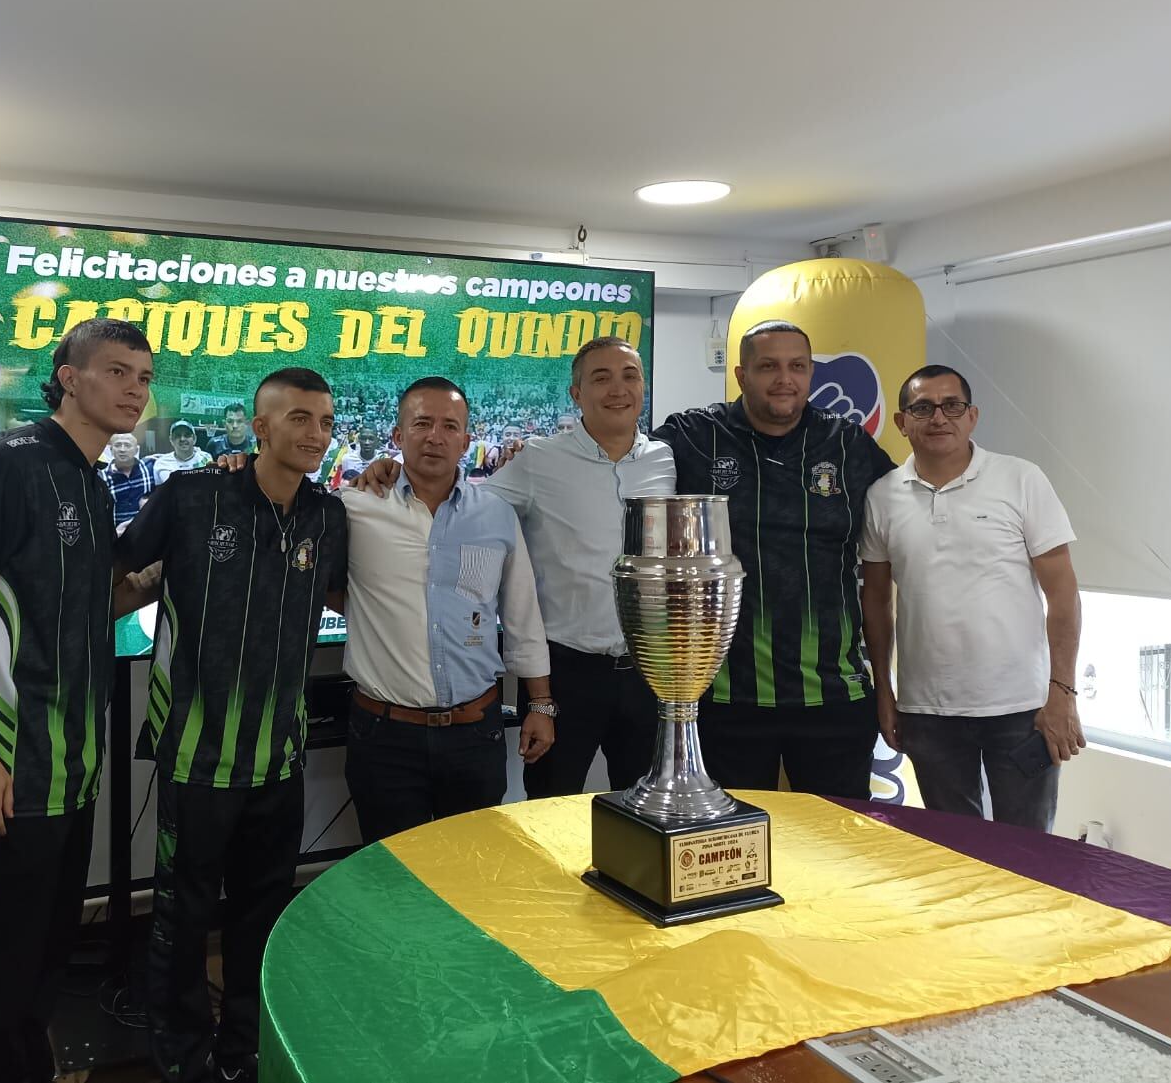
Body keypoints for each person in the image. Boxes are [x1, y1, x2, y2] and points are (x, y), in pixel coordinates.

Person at [0, 318, 158, 1082]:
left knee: (37, 970)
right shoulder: (8, 463)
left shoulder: (88, 480)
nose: (134, 388)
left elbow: (66, 608)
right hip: (3, 781)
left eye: (144, 377)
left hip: (66, 778)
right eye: (117, 370)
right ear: (67, 375)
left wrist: (149, 584)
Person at [116, 367, 347, 1083]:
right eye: (299, 418)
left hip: (279, 759)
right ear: (260, 427)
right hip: (195, 756)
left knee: (262, 915)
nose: (315, 434)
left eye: (325, 421)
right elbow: (118, 576)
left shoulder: (329, 515)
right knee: (183, 921)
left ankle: (243, 1048)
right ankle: (181, 1055)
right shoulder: (190, 496)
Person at [355, 339, 675, 798]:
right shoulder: (537, 460)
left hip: (648, 668)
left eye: (630, 375)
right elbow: (458, 504)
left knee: (648, 808)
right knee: (549, 811)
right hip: (566, 672)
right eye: (601, 378)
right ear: (576, 393)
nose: (618, 389)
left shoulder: (666, 458)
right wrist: (393, 471)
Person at [652, 320, 895, 800]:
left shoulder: (848, 445)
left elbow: (910, 511)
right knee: (730, 849)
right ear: (741, 375)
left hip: (833, 694)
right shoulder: (693, 436)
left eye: (797, 367)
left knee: (836, 848)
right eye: (769, 367)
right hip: (724, 696)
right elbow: (621, 467)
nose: (784, 379)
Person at [860, 366, 1083, 830]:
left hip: (1022, 709)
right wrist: (886, 691)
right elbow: (876, 602)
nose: (938, 417)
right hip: (927, 713)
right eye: (923, 407)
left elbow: (1062, 594)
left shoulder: (1021, 479)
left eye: (952, 405)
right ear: (902, 422)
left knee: (1029, 852)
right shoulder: (882, 498)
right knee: (956, 853)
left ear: (972, 416)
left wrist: (1062, 693)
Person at [336, 377, 553, 844]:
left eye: (449, 426)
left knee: (470, 875)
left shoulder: (496, 515)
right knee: (392, 879)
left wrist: (541, 703)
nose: (435, 436)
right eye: (422, 423)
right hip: (384, 738)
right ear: (398, 436)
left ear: (467, 441)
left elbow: (522, 615)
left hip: (475, 735)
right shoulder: (355, 507)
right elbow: (327, 586)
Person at [102, 432, 160, 525]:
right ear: (111, 450)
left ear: (136, 450)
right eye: (117, 445)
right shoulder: (102, 477)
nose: (122, 449)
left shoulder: (150, 466)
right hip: (118, 534)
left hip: (148, 530)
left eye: (127, 445)